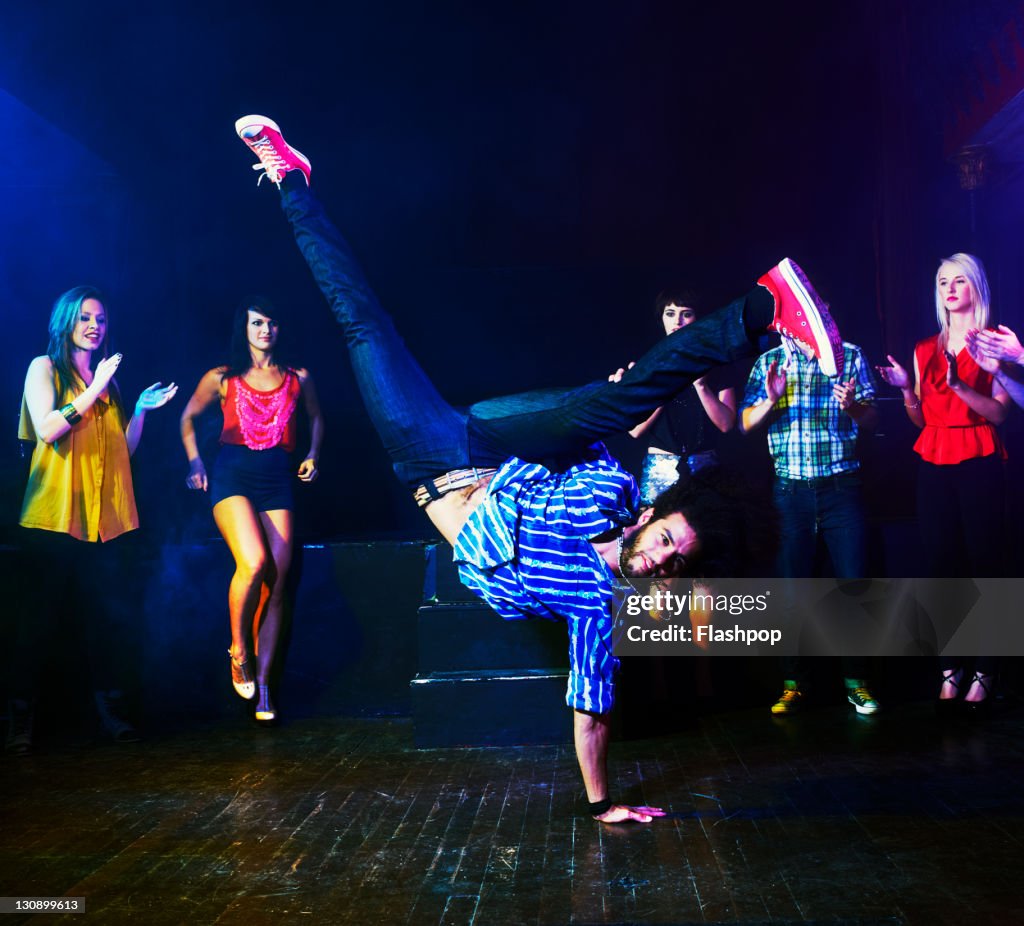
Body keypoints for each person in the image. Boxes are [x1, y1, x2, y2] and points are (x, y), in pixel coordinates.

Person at [233, 114, 842, 823]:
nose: (659, 564)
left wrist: (603, 804)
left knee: (360, 323)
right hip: (488, 439)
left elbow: (590, 714)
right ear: (653, 514)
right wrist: (604, 399)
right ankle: (766, 305)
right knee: (611, 403)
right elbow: (579, 431)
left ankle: (292, 185)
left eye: (675, 567)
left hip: (427, 458)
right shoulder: (613, 488)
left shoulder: (596, 614)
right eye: (670, 541)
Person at [8, 286, 177, 754]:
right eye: (85, 317)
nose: (94, 326)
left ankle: (111, 715)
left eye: (101, 319)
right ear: (66, 321)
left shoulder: (110, 383)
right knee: (37, 627)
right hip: (53, 519)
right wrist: (96, 388)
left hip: (103, 522)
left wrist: (139, 409)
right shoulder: (44, 369)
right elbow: (46, 428)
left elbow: (123, 452)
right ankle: (20, 722)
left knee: (106, 624)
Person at [179, 300, 324, 724]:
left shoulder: (298, 378)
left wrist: (314, 454)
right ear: (243, 328)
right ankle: (238, 650)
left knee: (276, 586)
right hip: (232, 479)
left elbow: (317, 417)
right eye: (257, 322)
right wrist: (194, 462)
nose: (265, 329)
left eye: (271, 321)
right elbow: (187, 416)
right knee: (254, 562)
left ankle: (264, 688)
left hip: (277, 481)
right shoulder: (223, 378)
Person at [878, 253, 1009, 714]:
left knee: (987, 567)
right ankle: (950, 671)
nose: (949, 289)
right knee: (941, 567)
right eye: (942, 282)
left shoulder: (997, 343)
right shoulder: (922, 349)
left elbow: (998, 413)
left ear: (975, 286)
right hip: (933, 461)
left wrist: (959, 388)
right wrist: (906, 390)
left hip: (980, 457)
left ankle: (987, 672)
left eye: (958, 281)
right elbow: (920, 421)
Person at [741, 328, 881, 715]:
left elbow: (872, 419)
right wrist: (770, 400)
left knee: (854, 588)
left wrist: (853, 407)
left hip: (841, 486)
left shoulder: (850, 353)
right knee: (791, 592)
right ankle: (793, 685)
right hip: (790, 491)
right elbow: (745, 424)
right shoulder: (770, 361)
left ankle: (858, 685)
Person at [617, 290, 738, 504]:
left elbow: (727, 424)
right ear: (661, 318)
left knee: (705, 532)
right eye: (670, 313)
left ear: (698, 318)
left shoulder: (718, 364)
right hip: (660, 469)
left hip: (705, 466)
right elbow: (635, 431)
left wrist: (701, 386)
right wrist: (663, 388)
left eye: (686, 314)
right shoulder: (648, 365)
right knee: (654, 530)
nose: (678, 321)